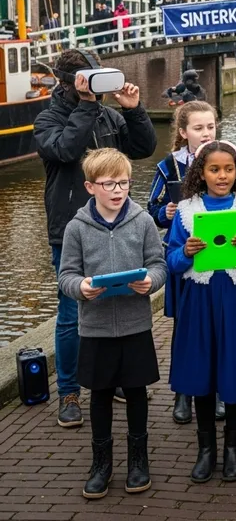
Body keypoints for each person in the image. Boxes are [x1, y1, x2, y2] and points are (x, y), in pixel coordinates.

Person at [34, 49, 157, 429]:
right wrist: (86, 105)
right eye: (89, 78)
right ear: (69, 81)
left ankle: (116, 377)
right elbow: (65, 149)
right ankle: (69, 391)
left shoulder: (109, 115)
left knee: (118, 298)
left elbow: (143, 149)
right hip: (70, 225)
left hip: (117, 222)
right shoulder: (47, 118)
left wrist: (134, 110)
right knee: (72, 312)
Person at [58, 149, 167, 499]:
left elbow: (158, 264)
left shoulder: (143, 221)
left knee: (136, 393)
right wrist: (82, 288)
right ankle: (101, 463)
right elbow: (67, 276)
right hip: (96, 328)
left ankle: (138, 460)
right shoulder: (76, 227)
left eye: (123, 182)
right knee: (100, 395)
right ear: (91, 187)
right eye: (109, 184)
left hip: (136, 325)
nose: (118, 190)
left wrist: (150, 281)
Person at [166, 140, 236, 483]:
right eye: (214, 169)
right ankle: (206, 449)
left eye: (229, 169)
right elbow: (173, 262)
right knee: (202, 370)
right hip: (199, 300)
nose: (222, 175)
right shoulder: (186, 210)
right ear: (201, 172)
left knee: (233, 368)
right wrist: (188, 251)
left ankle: (233, 447)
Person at [147, 101, 217, 425]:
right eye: (198, 128)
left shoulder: (224, 160)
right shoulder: (169, 166)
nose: (205, 133)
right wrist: (166, 213)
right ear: (183, 132)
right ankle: (182, 393)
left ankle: (214, 390)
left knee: (217, 326)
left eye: (210, 127)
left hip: (218, 255)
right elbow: (151, 208)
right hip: (183, 256)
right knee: (185, 329)